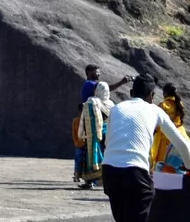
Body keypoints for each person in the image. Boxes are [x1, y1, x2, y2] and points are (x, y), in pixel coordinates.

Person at [103, 76, 190, 222]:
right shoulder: (155, 110)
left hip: (109, 172)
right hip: (135, 172)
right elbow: (182, 144)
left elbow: (107, 142)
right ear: (151, 95)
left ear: (131, 92)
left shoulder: (116, 109)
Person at [77, 81, 113, 189]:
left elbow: (86, 117)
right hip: (108, 133)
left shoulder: (92, 102)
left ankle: (89, 181)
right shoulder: (111, 104)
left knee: (90, 155)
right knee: (107, 156)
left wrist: (84, 132)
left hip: (94, 134)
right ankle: (106, 181)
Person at [151, 83, 187, 172]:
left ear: (165, 93)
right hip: (179, 135)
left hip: (164, 139)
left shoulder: (163, 105)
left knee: (161, 163)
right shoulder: (179, 104)